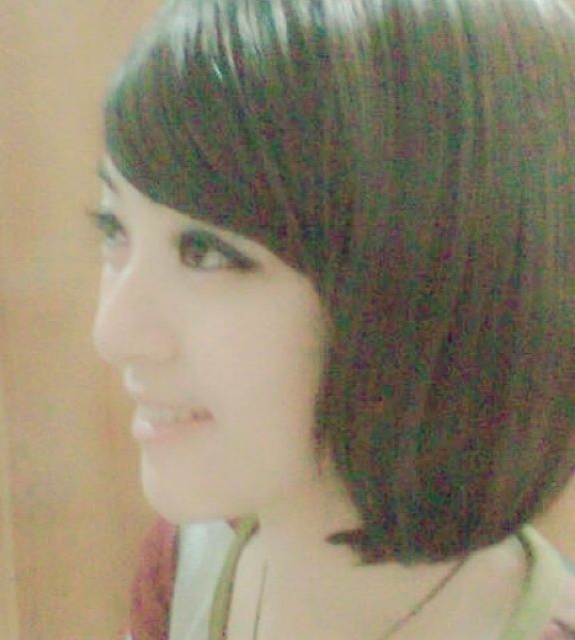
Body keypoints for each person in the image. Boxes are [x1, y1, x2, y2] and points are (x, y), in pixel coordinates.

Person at [89, 0, 575, 638]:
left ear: (428, 284)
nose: (112, 333)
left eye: (206, 252)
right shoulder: (186, 568)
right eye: (113, 228)